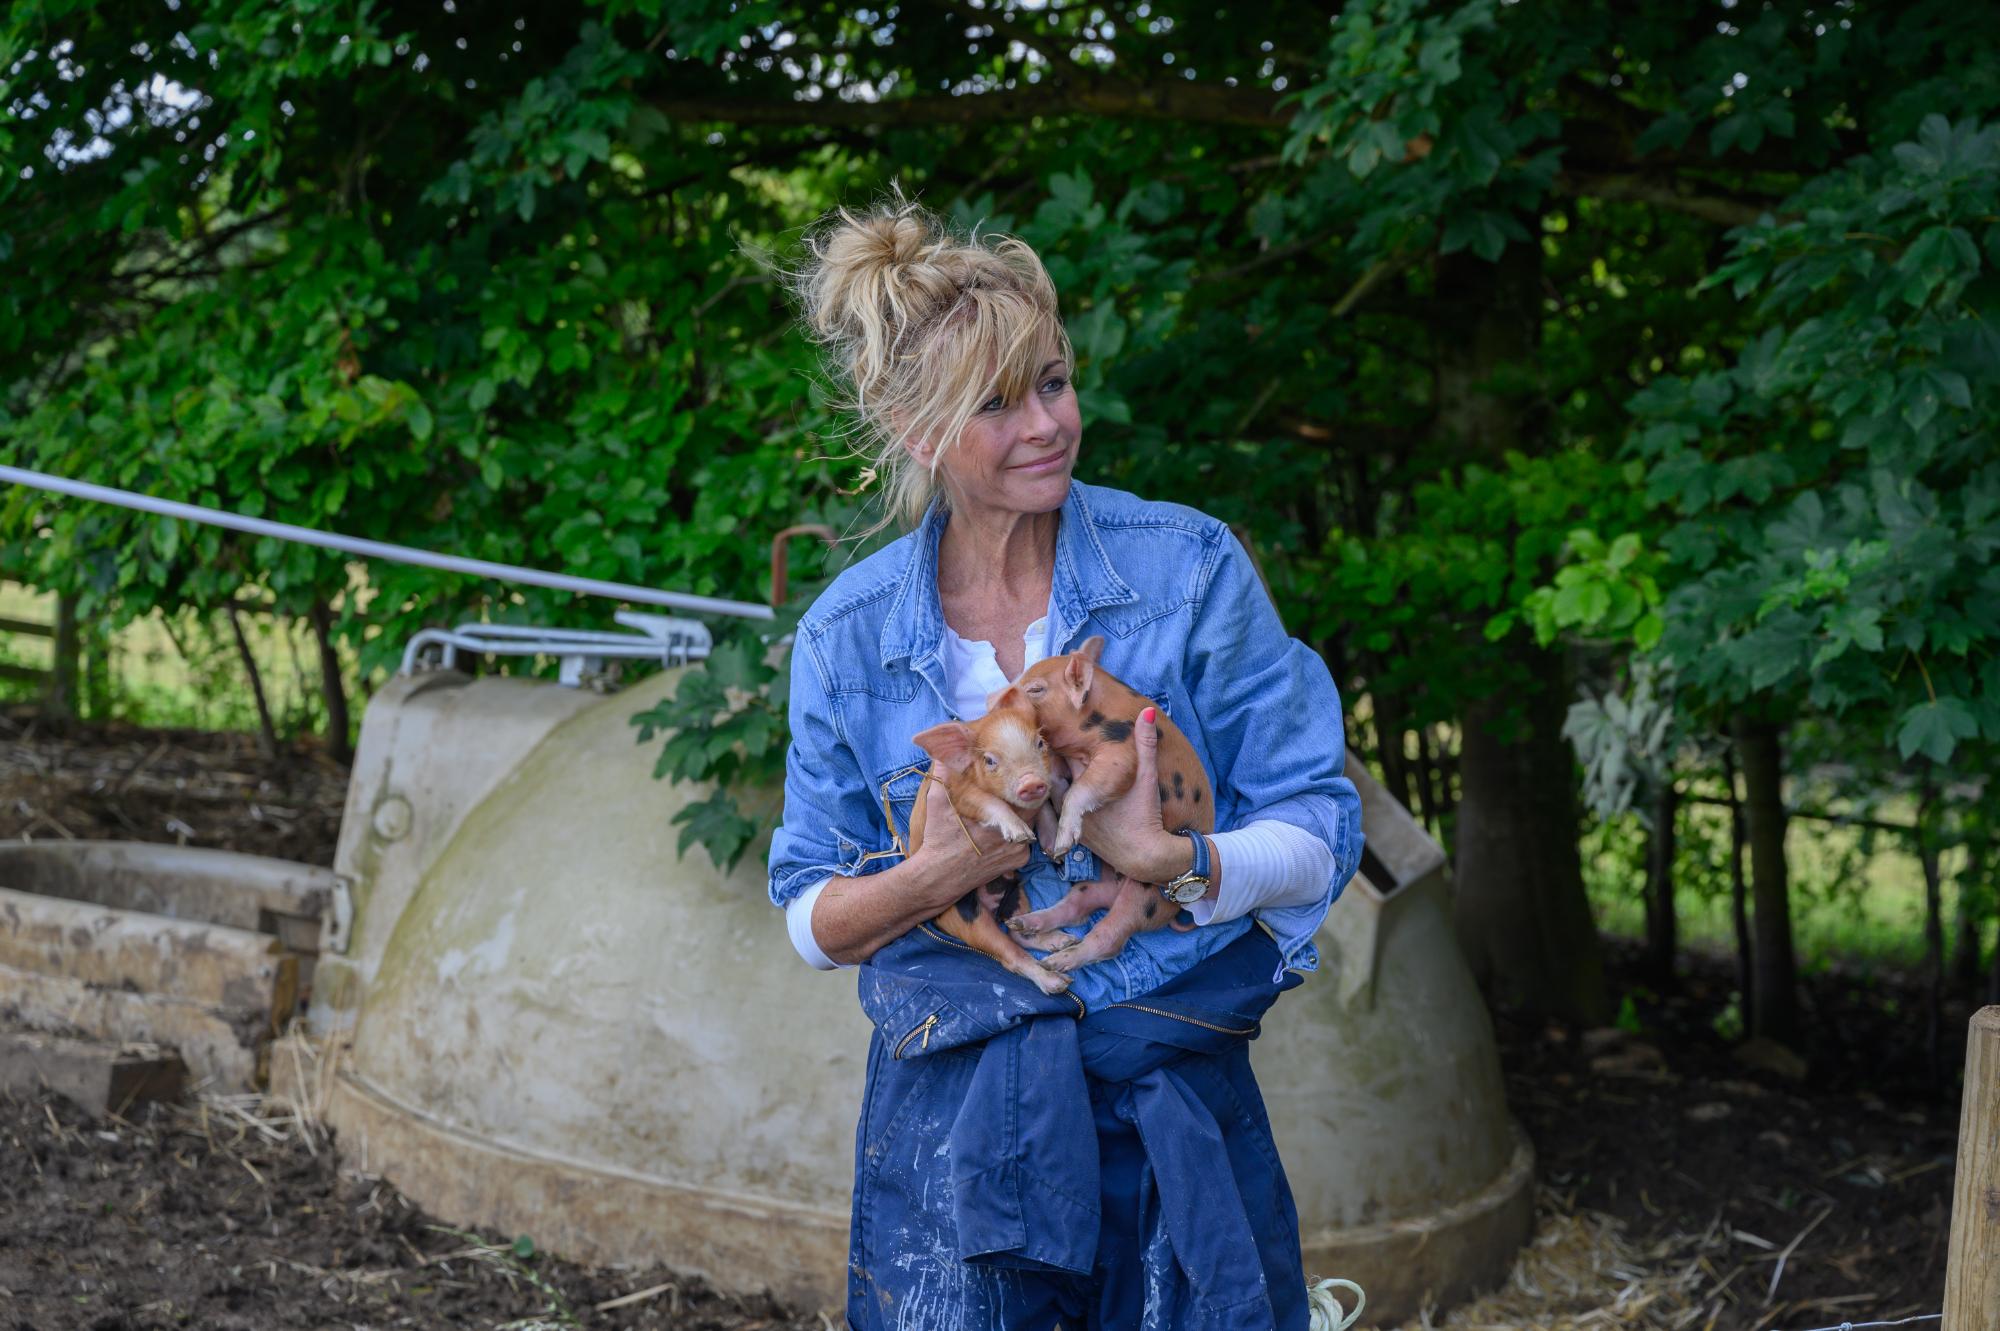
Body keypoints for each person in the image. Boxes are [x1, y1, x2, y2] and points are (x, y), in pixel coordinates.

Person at [767, 188, 1363, 1331]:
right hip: (956, 1132)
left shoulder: (1188, 568)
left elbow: (1320, 824)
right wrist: (932, 878)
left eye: (1052, 380)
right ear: (915, 428)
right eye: (997, 402)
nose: (1045, 421)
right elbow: (809, 914)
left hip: (1166, 1097)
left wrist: (1173, 858)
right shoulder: (845, 637)